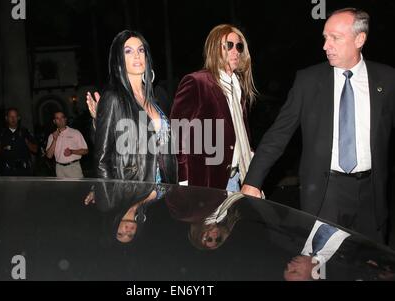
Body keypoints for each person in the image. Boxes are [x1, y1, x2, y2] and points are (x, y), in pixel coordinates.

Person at [242, 8, 395, 243]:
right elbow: (278, 134)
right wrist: (253, 181)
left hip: (371, 198)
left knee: (369, 269)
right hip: (325, 195)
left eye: (335, 38)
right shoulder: (309, 81)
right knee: (321, 267)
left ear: (359, 39)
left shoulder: (387, 79)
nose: (326, 46)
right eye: (325, 37)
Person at [170, 24, 257, 192]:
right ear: (214, 48)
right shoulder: (197, 82)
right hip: (205, 181)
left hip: (237, 178)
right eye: (228, 45)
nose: (235, 51)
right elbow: (177, 133)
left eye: (238, 46)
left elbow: (240, 133)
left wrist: (251, 158)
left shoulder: (238, 87)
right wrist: (183, 180)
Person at [90, 30, 177, 184]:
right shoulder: (113, 97)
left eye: (141, 50)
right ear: (118, 59)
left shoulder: (156, 97)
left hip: (165, 192)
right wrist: (113, 200)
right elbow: (102, 160)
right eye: (128, 51)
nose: (137, 55)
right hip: (136, 193)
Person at [0, 108, 38, 176]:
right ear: (6, 118)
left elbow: (35, 150)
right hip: (6, 171)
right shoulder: (1, 133)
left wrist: (27, 142)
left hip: (24, 171)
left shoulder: (25, 132)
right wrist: (0, 146)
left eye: (15, 116)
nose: (13, 118)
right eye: (11, 116)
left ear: (18, 118)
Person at [46, 111, 88, 178]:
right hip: (59, 169)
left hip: (73, 167)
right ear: (54, 121)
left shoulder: (75, 132)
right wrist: (54, 140)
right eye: (57, 118)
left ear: (65, 119)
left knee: (77, 188)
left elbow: (85, 151)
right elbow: (49, 156)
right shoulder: (51, 136)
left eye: (62, 117)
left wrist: (72, 151)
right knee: (63, 188)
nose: (60, 120)